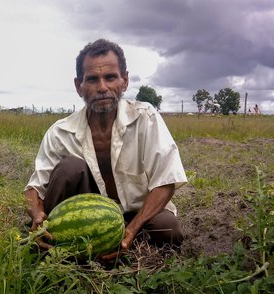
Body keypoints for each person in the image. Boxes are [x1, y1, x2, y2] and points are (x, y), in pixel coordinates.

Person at [24, 38, 187, 261]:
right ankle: (57, 244)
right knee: (70, 167)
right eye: (92, 79)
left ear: (125, 80)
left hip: (136, 212)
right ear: (78, 85)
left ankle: (119, 246)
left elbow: (166, 180)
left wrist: (131, 229)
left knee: (169, 229)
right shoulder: (60, 132)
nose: (102, 87)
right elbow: (34, 188)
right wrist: (36, 213)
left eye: (110, 77)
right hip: (86, 215)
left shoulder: (145, 118)